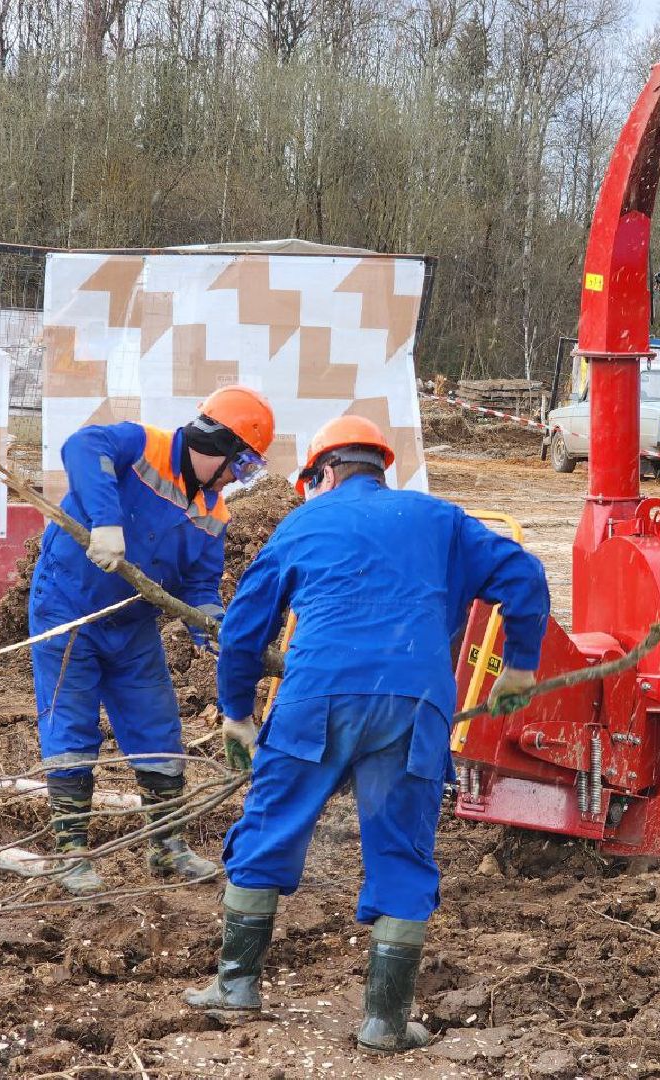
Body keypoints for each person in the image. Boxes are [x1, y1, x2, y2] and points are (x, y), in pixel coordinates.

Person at [184, 414, 550, 1053]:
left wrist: (237, 715)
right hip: (414, 706)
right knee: (402, 851)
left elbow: (243, 632)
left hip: (315, 698)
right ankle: (383, 1023)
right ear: (379, 468)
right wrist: (518, 668)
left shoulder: (302, 523)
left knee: (270, 826)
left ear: (324, 473)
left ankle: (237, 986)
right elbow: (524, 577)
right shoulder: (441, 519)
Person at [30, 385, 276, 897]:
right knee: (71, 724)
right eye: (241, 464)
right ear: (219, 445)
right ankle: (72, 853)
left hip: (133, 626)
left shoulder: (214, 512)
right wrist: (107, 522)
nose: (237, 479)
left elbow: (199, 585)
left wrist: (209, 622)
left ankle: (167, 848)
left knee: (158, 728)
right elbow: (81, 447)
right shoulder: (141, 445)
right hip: (69, 609)